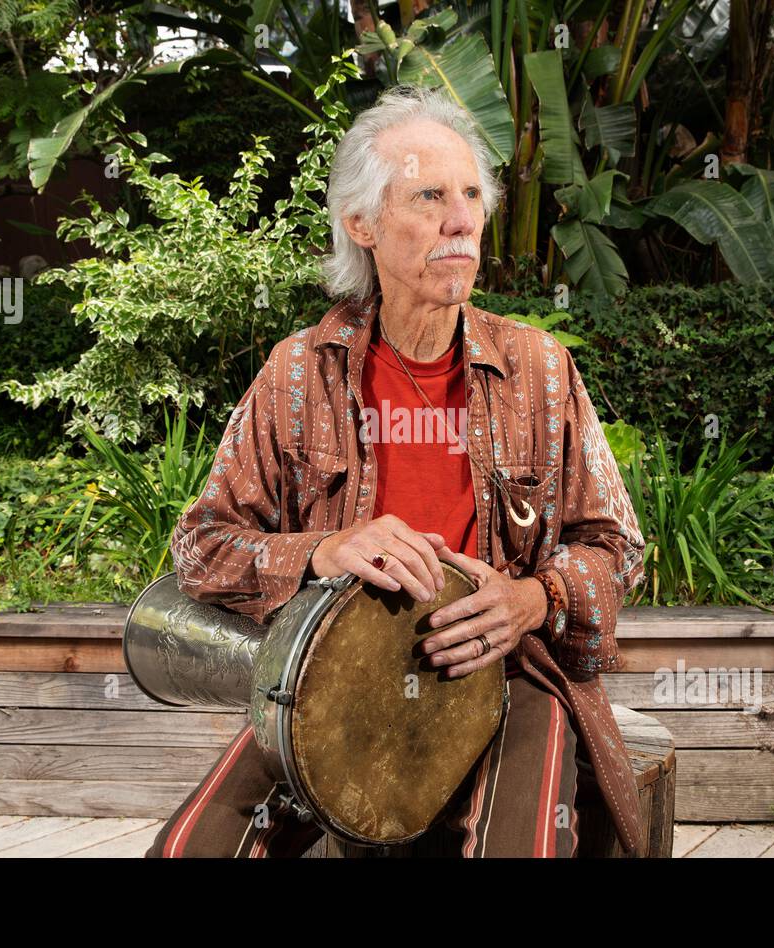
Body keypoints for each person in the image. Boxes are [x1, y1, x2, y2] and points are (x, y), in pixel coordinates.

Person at [145, 83, 647, 858]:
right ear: (363, 224)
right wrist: (319, 552)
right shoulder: (297, 375)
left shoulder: (539, 370)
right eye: (429, 196)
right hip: (329, 680)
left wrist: (532, 597)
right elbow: (200, 546)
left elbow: (618, 548)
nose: (461, 220)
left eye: (472, 195)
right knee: (190, 854)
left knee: (523, 849)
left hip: (507, 674)